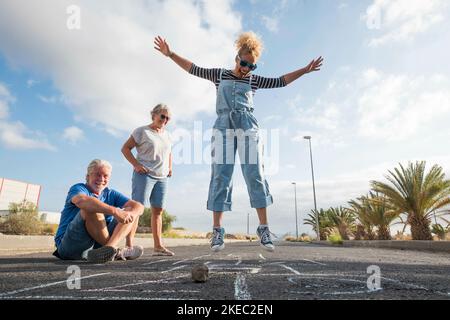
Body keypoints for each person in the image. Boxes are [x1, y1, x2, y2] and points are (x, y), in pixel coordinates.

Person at [154, 32, 323, 252]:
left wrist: (305, 70)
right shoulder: (219, 75)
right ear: (237, 58)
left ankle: (263, 228)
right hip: (223, 125)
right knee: (221, 174)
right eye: (244, 63)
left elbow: (281, 81)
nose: (246, 68)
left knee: (255, 173)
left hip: (247, 125)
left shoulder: (253, 80)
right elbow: (193, 68)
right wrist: (170, 54)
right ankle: (217, 231)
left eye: (251, 66)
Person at [53, 159, 145, 263]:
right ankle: (115, 251)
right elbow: (81, 200)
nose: (101, 179)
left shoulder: (111, 193)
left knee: (132, 211)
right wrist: (115, 211)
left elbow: (139, 206)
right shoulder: (79, 188)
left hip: (95, 249)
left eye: (105, 176)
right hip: (70, 246)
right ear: (88, 176)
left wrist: (131, 214)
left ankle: (112, 249)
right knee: (91, 208)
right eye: (97, 175)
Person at [121, 104, 174, 256]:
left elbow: (169, 152)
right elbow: (125, 148)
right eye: (162, 116)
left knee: (158, 211)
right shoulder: (141, 131)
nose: (165, 120)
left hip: (162, 177)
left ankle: (158, 247)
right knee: (136, 209)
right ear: (154, 115)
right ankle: (129, 246)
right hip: (144, 175)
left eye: (168, 118)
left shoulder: (168, 135)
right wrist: (136, 164)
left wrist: (170, 167)